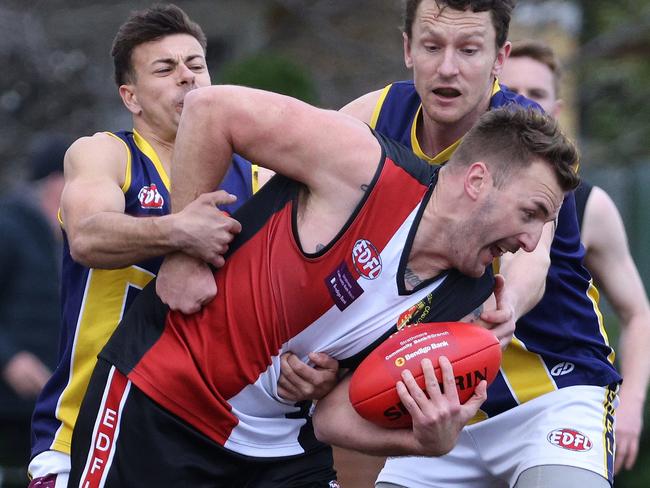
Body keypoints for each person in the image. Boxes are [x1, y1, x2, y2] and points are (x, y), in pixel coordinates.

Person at [66, 86, 578, 487]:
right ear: (477, 181)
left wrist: (427, 441)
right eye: (531, 214)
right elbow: (210, 107)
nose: (532, 241)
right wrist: (181, 250)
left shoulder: (467, 299)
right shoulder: (362, 166)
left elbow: (335, 419)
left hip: (283, 450)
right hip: (163, 401)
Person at [303, 2, 620, 487]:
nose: (447, 67)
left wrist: (505, 302)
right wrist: (300, 349)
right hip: (433, 397)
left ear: (499, 59)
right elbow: (299, 233)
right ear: (408, 49)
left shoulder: (524, 130)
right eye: (432, 46)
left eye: (469, 50)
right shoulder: (372, 118)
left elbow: (534, 254)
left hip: (548, 392)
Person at [28, 5, 256, 487]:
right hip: (88, 434)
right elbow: (87, 236)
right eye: (166, 69)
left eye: (196, 65)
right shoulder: (106, 153)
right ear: (130, 96)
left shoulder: (258, 174)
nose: (187, 78)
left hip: (211, 440)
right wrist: (179, 231)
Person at [500, 38, 650, 476]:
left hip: (557, 400)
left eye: (538, 95)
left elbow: (638, 312)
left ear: (557, 109)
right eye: (512, 91)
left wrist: (631, 406)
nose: (524, 105)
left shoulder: (588, 205)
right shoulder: (452, 191)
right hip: (465, 408)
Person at [0, 136, 68, 487]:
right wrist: (8, 359)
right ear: (58, 184)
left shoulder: (64, 242)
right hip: (6, 410)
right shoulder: (8, 229)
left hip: (43, 414)